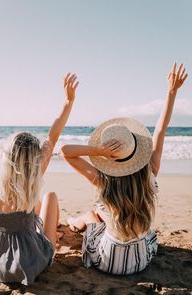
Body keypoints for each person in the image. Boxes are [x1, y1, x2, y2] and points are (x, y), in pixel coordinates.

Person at [61, 63, 187, 275]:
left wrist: (98, 150)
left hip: (106, 261)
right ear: (136, 152)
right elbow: (160, 130)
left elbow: (65, 151)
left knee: (94, 216)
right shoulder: (150, 174)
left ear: (110, 161)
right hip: (140, 260)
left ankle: (73, 222)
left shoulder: (103, 181)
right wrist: (172, 92)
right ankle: (75, 221)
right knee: (102, 216)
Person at [0, 73, 79, 285]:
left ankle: (50, 230)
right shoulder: (33, 177)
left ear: (6, 155)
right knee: (49, 197)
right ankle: (54, 233)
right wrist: (68, 102)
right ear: (33, 162)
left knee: (32, 204)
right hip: (34, 261)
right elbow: (53, 137)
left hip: (0, 265)